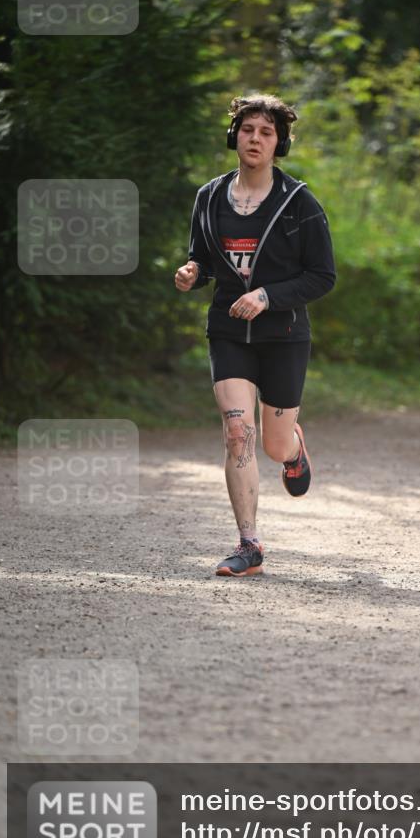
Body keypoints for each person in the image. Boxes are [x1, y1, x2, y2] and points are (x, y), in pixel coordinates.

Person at [175, 93, 336, 577]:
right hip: (228, 329)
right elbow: (202, 257)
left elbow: (322, 276)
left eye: (267, 133)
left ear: (278, 144)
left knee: (272, 444)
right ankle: (249, 545)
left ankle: (293, 450)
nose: (255, 139)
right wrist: (191, 272)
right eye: (248, 130)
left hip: (283, 333)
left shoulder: (299, 203)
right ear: (234, 136)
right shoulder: (209, 197)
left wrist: (267, 296)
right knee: (237, 432)